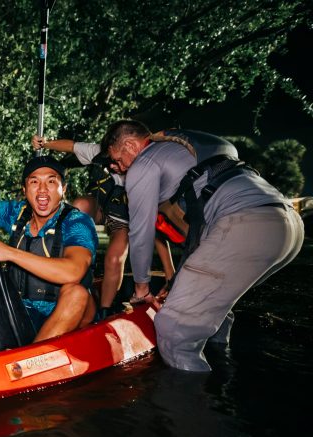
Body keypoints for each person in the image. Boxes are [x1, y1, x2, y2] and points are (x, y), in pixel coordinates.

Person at [101, 119, 304, 371]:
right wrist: (175, 284)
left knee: (174, 329)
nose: (119, 169)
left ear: (131, 145)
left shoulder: (145, 163)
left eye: (118, 161)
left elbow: (140, 232)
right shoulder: (182, 151)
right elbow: (203, 233)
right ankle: (221, 373)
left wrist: (141, 289)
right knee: (213, 308)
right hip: (286, 226)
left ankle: (188, 406)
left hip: (246, 224)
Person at [0, 129, 99, 350]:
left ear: (64, 189)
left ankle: (31, 360)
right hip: (19, 311)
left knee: (78, 293)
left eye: (51, 182)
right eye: (34, 182)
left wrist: (9, 252)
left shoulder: (77, 222)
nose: (42, 189)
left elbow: (73, 271)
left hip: (64, 318)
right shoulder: (17, 213)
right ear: (25, 190)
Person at [31, 137, 176, 317]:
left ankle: (105, 310)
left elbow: (154, 228)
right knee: (80, 205)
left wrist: (170, 273)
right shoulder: (101, 151)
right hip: (99, 207)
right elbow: (72, 146)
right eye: (113, 159)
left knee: (115, 257)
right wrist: (45, 143)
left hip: (122, 220)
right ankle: (69, 259)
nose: (116, 165)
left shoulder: (145, 171)